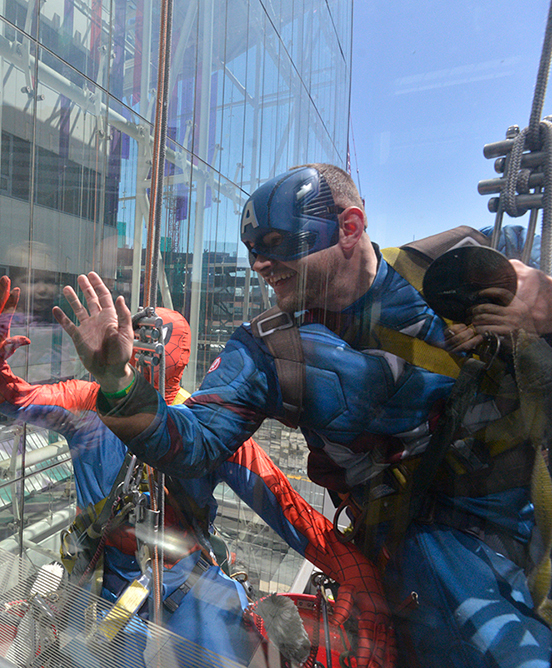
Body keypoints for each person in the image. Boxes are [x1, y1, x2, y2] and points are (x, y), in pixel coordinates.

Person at [52, 164, 552, 668]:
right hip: (435, 541)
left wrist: (543, 306)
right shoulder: (267, 349)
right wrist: (117, 381)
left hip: (519, 497)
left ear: (349, 228)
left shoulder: (457, 264)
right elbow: (194, 442)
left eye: (278, 242)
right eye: (253, 250)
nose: (261, 264)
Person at [0, 275, 393, 667]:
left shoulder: (206, 428)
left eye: (140, 339)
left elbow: (291, 513)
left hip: (180, 580)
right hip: (108, 577)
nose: (129, 344)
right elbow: (15, 398)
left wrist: (361, 578)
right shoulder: (91, 402)